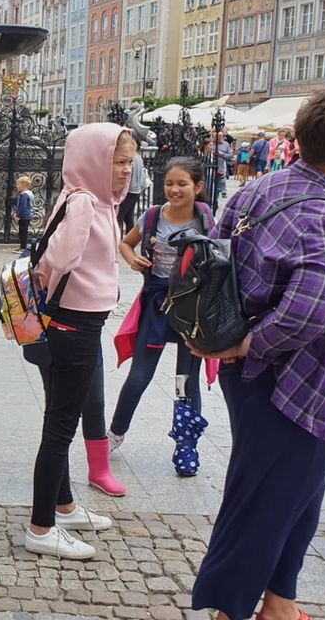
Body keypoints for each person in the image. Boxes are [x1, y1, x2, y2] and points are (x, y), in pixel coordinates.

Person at [191, 84, 325, 620]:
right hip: (297, 378)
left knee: (298, 490)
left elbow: (217, 260)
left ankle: (280, 602)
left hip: (252, 373)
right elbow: (307, 314)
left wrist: (237, 342)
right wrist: (254, 342)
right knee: (266, 499)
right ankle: (229, 606)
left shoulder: (262, 189)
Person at [26, 123, 136, 560]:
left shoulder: (78, 195)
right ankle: (41, 528)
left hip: (68, 321)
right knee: (60, 426)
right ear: (95, 161)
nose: (126, 171)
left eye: (129, 162)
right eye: (118, 162)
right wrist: (52, 289)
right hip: (74, 324)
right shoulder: (87, 202)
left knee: (58, 417)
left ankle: (63, 506)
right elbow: (60, 257)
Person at [108, 157, 213, 474]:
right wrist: (132, 259)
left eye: (182, 184)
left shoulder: (205, 220)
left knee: (185, 380)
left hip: (192, 311)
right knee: (139, 375)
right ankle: (114, 434)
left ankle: (186, 445)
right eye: (169, 183)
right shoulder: (153, 216)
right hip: (156, 305)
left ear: (197, 187)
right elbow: (125, 244)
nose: (174, 189)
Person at [119, 152, 148, 234]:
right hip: (136, 190)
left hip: (129, 190)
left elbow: (129, 176)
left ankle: (116, 241)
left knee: (119, 217)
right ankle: (128, 239)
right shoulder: (139, 158)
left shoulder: (132, 159)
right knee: (129, 217)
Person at [14, 176, 34, 249]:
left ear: (24, 185)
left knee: (22, 233)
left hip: (24, 216)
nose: (17, 186)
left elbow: (22, 206)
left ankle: (23, 247)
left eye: (18, 184)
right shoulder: (28, 194)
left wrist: (18, 215)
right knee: (23, 232)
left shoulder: (24, 195)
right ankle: (23, 247)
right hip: (27, 216)